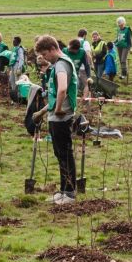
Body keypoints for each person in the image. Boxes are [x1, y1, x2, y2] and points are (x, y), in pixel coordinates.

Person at [32, 35, 78, 205]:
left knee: (65, 153)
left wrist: (58, 108)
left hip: (61, 117)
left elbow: (63, 88)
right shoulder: (59, 64)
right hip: (56, 117)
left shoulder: (61, 65)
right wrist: (43, 112)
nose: (44, 58)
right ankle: (64, 189)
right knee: (60, 154)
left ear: (53, 49)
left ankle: (70, 193)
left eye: (45, 54)